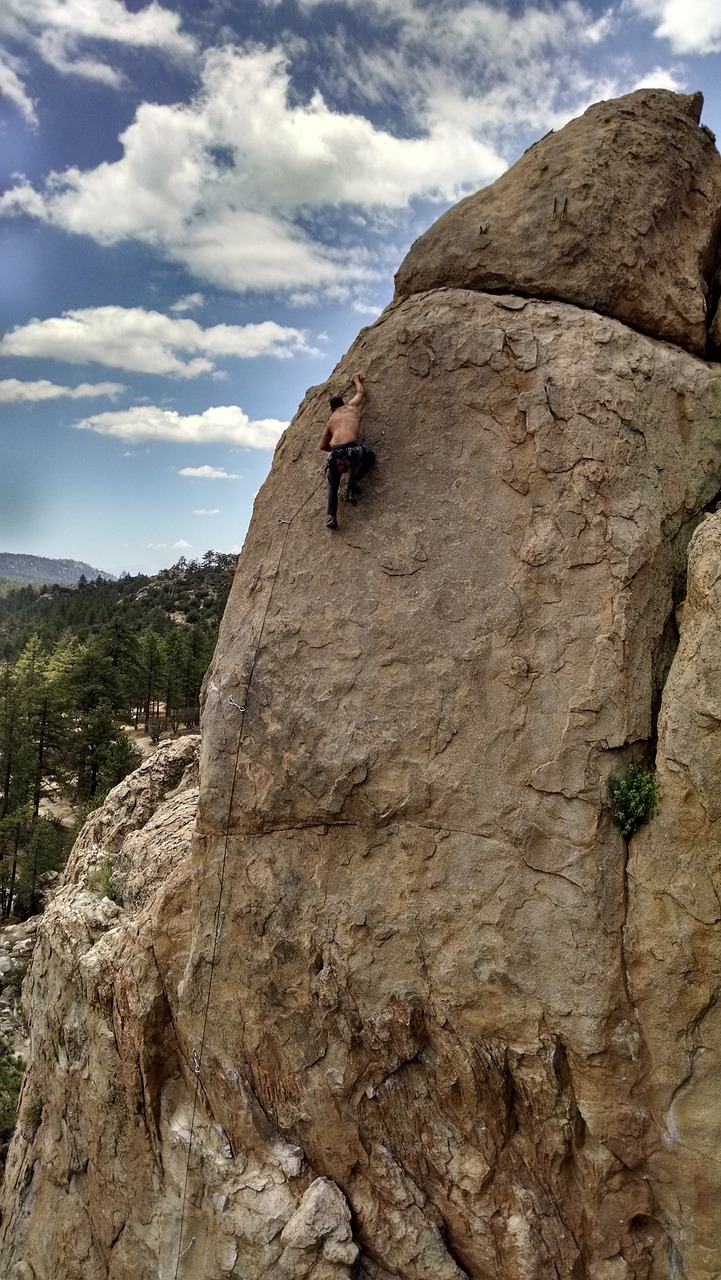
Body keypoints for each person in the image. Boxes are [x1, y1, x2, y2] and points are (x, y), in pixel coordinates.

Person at [319, 372, 375, 529]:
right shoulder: (351, 407)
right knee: (370, 457)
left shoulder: (331, 421)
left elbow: (322, 445)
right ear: (343, 403)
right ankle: (355, 479)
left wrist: (336, 451)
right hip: (352, 449)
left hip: (336, 452)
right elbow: (361, 392)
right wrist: (356, 379)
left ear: (332, 409)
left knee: (333, 485)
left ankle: (332, 518)